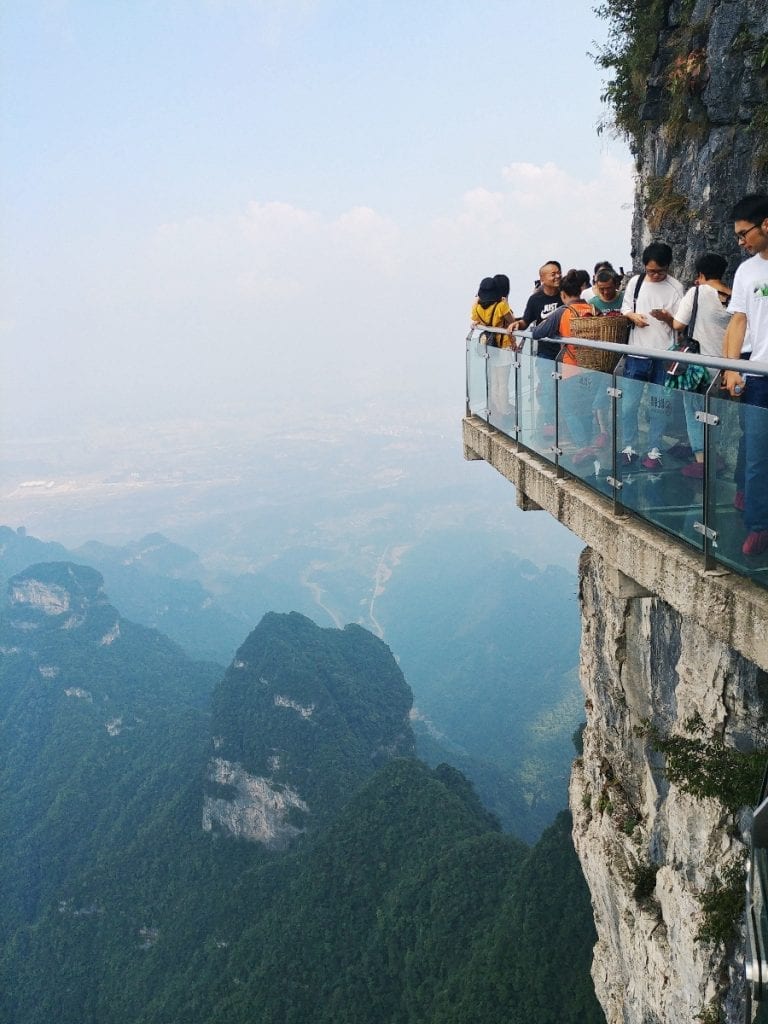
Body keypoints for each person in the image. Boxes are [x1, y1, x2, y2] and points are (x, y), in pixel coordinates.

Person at [722, 193, 768, 556]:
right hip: (759, 378)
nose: (741, 241)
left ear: (766, 224)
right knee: (756, 456)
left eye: (744, 233)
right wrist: (732, 367)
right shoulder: (747, 271)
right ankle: (758, 525)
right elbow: (739, 320)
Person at [620, 242, 685, 469]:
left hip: (664, 355)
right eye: (651, 271)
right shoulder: (636, 283)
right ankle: (629, 446)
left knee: (660, 405)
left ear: (668, 267)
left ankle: (654, 448)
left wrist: (667, 317)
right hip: (636, 353)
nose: (656, 275)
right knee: (629, 404)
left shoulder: (676, 288)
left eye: (660, 271)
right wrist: (633, 317)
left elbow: (680, 324)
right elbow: (626, 308)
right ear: (644, 267)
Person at [671, 253, 731, 478]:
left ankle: (702, 461)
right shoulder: (733, 295)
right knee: (717, 412)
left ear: (701, 274)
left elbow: (679, 324)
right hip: (725, 366)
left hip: (699, 365)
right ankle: (716, 455)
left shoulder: (696, 292)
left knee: (694, 411)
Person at [532, 271, 596, 461]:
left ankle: (582, 445)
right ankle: (589, 442)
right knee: (586, 409)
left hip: (571, 368)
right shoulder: (592, 309)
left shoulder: (563, 312)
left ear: (563, 295)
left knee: (569, 409)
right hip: (594, 369)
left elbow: (537, 333)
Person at [515, 261, 563, 437]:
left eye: (558, 272)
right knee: (548, 387)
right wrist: (517, 324)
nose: (557, 276)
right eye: (553, 274)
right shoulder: (536, 300)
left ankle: (562, 423)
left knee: (565, 388)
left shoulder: (564, 295)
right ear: (542, 278)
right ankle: (550, 422)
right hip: (546, 351)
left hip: (566, 351)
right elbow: (526, 321)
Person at [470, 276, 516, 422]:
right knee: (503, 383)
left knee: (495, 383)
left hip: (489, 348)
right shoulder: (501, 306)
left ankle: (498, 408)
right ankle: (505, 410)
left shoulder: (477, 308)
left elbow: (474, 319)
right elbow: (512, 322)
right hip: (503, 346)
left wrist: (476, 300)